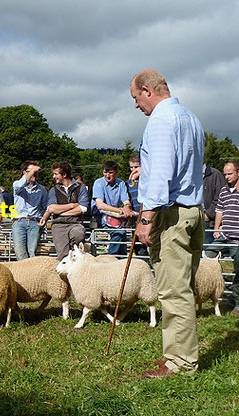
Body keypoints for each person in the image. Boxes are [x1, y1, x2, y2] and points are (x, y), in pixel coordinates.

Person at [131, 69, 205, 378]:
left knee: (173, 292)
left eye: (136, 98)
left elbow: (161, 174)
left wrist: (146, 219)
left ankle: (181, 363)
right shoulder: (191, 119)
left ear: (148, 91)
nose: (136, 105)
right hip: (194, 212)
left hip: (171, 214)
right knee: (182, 288)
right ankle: (180, 354)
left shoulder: (160, 121)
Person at [205, 161, 239, 317]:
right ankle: (215, 291)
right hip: (224, 235)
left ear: (238, 172)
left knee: (238, 270)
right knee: (208, 255)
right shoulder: (224, 190)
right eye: (225, 174)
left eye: (229, 173)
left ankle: (236, 303)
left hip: (237, 239)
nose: (226, 177)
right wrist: (217, 228)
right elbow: (219, 210)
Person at [39, 161, 89, 260]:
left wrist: (60, 212)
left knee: (79, 234)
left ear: (64, 174)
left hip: (75, 223)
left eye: (56, 174)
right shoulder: (54, 190)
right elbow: (51, 208)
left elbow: (82, 208)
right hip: (59, 225)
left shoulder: (80, 188)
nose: (54, 177)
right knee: (63, 257)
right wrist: (71, 205)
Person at [91, 160, 134, 255]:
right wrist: (120, 210)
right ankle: (110, 260)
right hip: (100, 217)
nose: (107, 175)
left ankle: (120, 261)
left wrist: (126, 207)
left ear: (116, 172)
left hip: (116, 218)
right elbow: (100, 205)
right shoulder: (99, 183)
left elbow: (126, 201)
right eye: (105, 172)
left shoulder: (121, 183)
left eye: (110, 172)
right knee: (119, 233)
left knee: (121, 235)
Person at [12, 160, 47, 260]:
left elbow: (45, 207)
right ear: (24, 172)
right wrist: (33, 170)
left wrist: (43, 218)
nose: (34, 174)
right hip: (19, 221)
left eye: (36, 172)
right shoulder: (17, 185)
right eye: (31, 171)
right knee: (20, 252)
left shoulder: (42, 189)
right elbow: (20, 185)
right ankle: (24, 274)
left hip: (34, 222)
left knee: (32, 252)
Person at [126, 154, 148, 257]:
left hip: (148, 215)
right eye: (131, 167)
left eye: (136, 167)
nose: (133, 170)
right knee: (139, 246)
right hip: (136, 217)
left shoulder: (148, 181)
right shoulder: (128, 184)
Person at [202, 164, 225, 245]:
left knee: (207, 253)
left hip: (208, 223)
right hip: (192, 220)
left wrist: (208, 215)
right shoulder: (189, 175)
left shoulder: (215, 174)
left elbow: (220, 198)